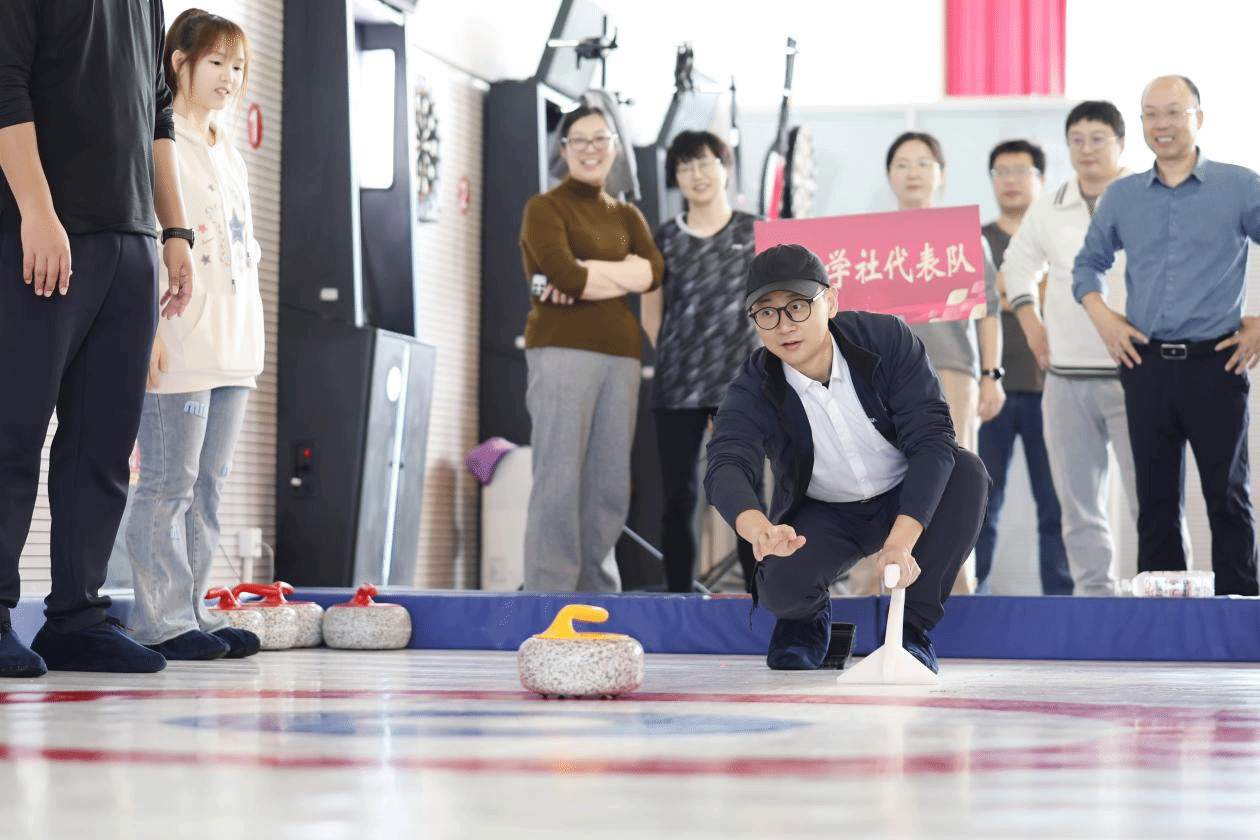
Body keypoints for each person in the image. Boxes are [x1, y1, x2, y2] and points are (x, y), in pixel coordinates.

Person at [0, 0, 194, 677]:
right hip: (40, 234)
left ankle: (77, 619)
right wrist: (36, 210)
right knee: (12, 433)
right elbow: (5, 84)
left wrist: (174, 231)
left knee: (103, 446)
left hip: (130, 241)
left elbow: (158, 113)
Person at [704, 243, 990, 672]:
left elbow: (932, 439)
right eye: (767, 313)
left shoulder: (886, 339)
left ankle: (911, 630)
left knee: (967, 473)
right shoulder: (754, 383)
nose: (784, 325)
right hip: (826, 513)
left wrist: (900, 543)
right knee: (781, 585)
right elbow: (726, 462)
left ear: (831, 302)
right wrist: (758, 528)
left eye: (798, 306)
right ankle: (805, 622)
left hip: (904, 492)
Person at [1073, 76, 1260, 596]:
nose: (1162, 124)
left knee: (1228, 497)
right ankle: (1161, 618)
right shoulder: (1123, 195)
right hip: (1146, 365)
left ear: (1198, 117)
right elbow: (1087, 265)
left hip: (1217, 363)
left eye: (1173, 112)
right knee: (1154, 503)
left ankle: (1241, 615)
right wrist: (1105, 319)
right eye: (1150, 114)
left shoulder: (1239, 185)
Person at [118, 9, 265, 661]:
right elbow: (150, 240)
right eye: (216, 63)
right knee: (166, 487)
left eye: (238, 66)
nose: (229, 77)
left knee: (208, 490)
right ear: (179, 63)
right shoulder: (159, 140)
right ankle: (160, 620)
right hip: (179, 344)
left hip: (234, 347)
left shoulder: (225, 145)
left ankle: (194, 613)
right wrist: (145, 329)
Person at [1004, 101, 1150, 596]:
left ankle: (1163, 597)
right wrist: (1031, 323)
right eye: (1077, 140)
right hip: (1066, 376)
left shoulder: (1148, 196)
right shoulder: (1050, 205)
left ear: (1121, 144)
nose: (1087, 149)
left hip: (1138, 372)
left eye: (1098, 138)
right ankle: (1095, 599)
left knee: (1150, 501)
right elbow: (1017, 265)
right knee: (1079, 506)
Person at [518, 104, 665, 592]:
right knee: (558, 480)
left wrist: (591, 273)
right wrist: (612, 274)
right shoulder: (545, 208)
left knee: (608, 484)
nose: (590, 149)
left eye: (600, 138)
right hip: (561, 351)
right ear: (563, 150)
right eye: (579, 140)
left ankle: (599, 595)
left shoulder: (627, 215)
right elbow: (566, 277)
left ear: (615, 147)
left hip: (622, 357)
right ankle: (550, 596)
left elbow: (653, 272)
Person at [880, 131, 1002, 595]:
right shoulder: (869, 242)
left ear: (942, 175)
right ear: (889, 176)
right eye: (902, 164)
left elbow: (989, 312)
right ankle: (880, 586)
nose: (913, 173)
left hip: (952, 371)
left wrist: (991, 375)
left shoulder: (964, 235)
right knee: (882, 476)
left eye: (923, 163)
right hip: (885, 376)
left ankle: (956, 587)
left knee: (956, 477)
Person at [640, 130, 759, 593]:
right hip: (677, 387)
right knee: (679, 497)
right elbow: (652, 315)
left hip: (743, 387)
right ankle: (678, 598)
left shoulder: (757, 232)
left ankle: (761, 597)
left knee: (748, 495)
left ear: (725, 168)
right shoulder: (665, 237)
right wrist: (684, 358)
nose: (697, 174)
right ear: (676, 177)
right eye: (686, 166)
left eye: (706, 163)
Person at [975, 139, 1071, 595]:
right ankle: (973, 593)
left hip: (1051, 387)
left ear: (1042, 179)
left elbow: (1060, 295)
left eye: (1021, 171)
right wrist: (1022, 290)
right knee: (979, 506)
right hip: (986, 390)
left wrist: (1005, 289)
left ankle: (1061, 598)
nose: (1010, 181)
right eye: (1001, 172)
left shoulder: (1055, 237)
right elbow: (979, 301)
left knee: (1056, 505)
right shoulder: (976, 239)